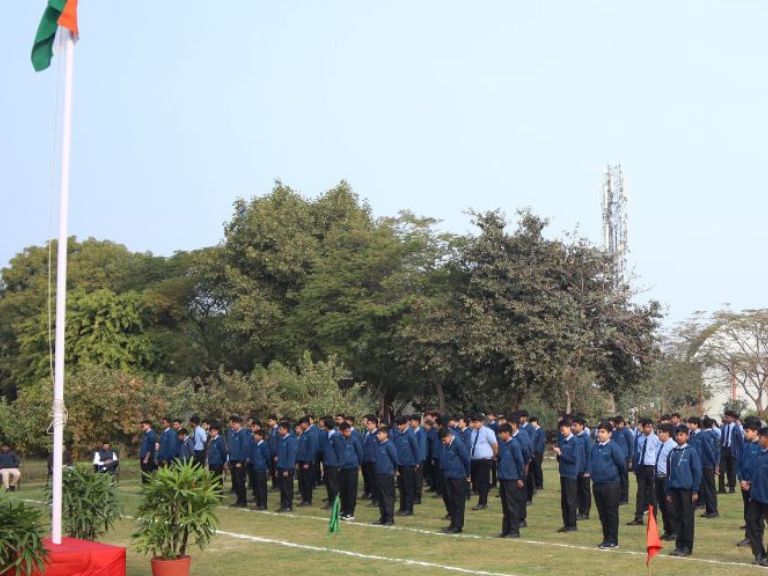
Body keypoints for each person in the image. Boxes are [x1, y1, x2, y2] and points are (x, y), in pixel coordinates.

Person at [667, 425, 702, 557]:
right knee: (678, 518)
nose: (679, 437)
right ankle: (679, 545)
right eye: (677, 435)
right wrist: (668, 491)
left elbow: (697, 472)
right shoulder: (672, 452)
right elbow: (669, 473)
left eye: (682, 435)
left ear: (687, 436)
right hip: (674, 490)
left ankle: (687, 546)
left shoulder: (691, 451)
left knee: (687, 519)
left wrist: (695, 490)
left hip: (687, 490)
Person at [590, 421, 625, 549]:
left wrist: (614, 477)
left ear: (610, 434)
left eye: (603, 432)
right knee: (602, 513)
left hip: (611, 484)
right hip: (597, 484)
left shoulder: (613, 447)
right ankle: (606, 538)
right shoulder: (595, 447)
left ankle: (613, 540)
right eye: (599, 432)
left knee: (611, 513)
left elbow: (621, 465)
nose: (600, 434)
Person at [628, 417, 660, 526]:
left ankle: (653, 517)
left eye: (650, 427)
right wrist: (635, 466)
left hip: (651, 466)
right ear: (643, 427)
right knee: (640, 492)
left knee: (652, 493)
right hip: (641, 467)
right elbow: (637, 453)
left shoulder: (656, 439)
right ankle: (638, 517)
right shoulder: (639, 438)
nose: (648, 429)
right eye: (646, 427)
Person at [440, 427, 471, 534]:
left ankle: (458, 525)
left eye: (444, 440)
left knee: (458, 502)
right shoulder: (447, 445)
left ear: (449, 436)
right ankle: (453, 524)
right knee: (452, 501)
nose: (443, 442)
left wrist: (467, 474)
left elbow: (466, 459)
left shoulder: (458, 443)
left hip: (458, 477)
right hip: (449, 476)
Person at [737, 417, 762, 548]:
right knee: (747, 511)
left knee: (757, 513)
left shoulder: (761, 447)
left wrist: (750, 482)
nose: (745, 433)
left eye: (747, 431)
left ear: (755, 431)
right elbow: (739, 463)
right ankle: (749, 536)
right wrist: (741, 479)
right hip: (744, 484)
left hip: (755, 485)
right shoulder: (745, 445)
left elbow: (759, 468)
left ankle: (756, 538)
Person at [497, 423, 525, 538]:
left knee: (512, 505)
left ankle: (514, 531)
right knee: (505, 506)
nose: (500, 436)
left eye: (501, 433)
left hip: (512, 479)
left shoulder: (514, 444)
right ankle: (506, 530)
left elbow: (519, 462)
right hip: (503, 478)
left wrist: (520, 478)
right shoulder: (503, 445)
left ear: (507, 433)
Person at [553, 418, 580, 533]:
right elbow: (560, 458)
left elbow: (574, 459)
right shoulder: (563, 441)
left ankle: (572, 524)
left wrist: (561, 453)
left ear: (569, 428)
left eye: (563, 430)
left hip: (571, 474)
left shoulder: (575, 441)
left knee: (570, 500)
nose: (562, 432)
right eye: (561, 431)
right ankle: (566, 523)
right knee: (564, 500)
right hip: (563, 473)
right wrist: (558, 454)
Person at [468, 414, 498, 511]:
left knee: (483, 481)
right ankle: (481, 500)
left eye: (476, 422)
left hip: (485, 460)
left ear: (481, 422)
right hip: (474, 459)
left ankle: (482, 502)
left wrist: (494, 455)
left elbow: (494, 444)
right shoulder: (472, 432)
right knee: (476, 481)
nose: (474, 424)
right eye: (473, 422)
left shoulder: (488, 431)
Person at [654, 423, 678, 541]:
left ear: (667, 433)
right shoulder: (659, 444)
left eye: (660, 432)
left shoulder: (673, 446)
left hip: (667, 478)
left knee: (669, 505)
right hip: (658, 477)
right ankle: (667, 529)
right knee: (662, 505)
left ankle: (674, 531)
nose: (658, 435)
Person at [694, 416, 720, 518]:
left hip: (706, 464)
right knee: (707, 488)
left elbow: (709, 450)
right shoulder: (714, 434)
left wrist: (714, 463)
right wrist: (716, 463)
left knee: (709, 488)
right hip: (708, 464)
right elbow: (717, 450)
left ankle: (713, 510)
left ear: (702, 425)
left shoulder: (703, 435)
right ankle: (709, 509)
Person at [394, 415, 419, 516]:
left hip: (409, 464)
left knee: (408, 487)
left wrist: (417, 462)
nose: (399, 427)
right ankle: (402, 507)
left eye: (401, 425)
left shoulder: (410, 434)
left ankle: (409, 509)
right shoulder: (398, 434)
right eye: (398, 425)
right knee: (401, 487)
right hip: (399, 464)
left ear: (405, 424)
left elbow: (415, 449)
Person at [373, 426, 398, 526]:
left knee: (387, 496)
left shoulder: (389, 445)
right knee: (380, 497)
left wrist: (395, 470)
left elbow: (395, 459)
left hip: (387, 474)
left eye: (379, 434)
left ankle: (389, 518)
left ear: (385, 434)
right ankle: (383, 517)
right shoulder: (379, 445)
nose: (377, 436)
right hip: (379, 473)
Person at [338, 422, 364, 520]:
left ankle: (350, 512)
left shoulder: (354, 439)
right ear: (341, 431)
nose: (348, 433)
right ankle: (343, 509)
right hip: (342, 468)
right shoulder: (339, 440)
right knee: (343, 490)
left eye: (349, 431)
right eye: (346, 431)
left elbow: (360, 453)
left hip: (352, 468)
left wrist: (358, 464)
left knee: (351, 490)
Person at [275, 421, 298, 512]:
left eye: (280, 429)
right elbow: (280, 455)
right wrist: (278, 468)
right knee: (282, 488)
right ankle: (283, 505)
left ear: (286, 429)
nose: (279, 431)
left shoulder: (290, 440)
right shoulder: (281, 440)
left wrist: (287, 469)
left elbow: (291, 456)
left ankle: (288, 505)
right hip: (281, 467)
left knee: (287, 488)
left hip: (287, 468)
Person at [573, 417, 592, 520]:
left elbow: (589, 455)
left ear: (581, 426)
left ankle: (585, 512)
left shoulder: (586, 439)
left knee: (585, 491)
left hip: (584, 470)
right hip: (575, 470)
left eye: (575, 425)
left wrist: (588, 470)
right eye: (573, 425)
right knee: (577, 491)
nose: (573, 427)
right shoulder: (573, 437)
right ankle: (579, 511)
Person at [227, 415, 249, 508]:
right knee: (236, 481)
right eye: (232, 424)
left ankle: (243, 501)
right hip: (233, 459)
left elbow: (244, 448)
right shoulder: (234, 433)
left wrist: (241, 461)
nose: (233, 425)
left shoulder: (242, 433)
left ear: (239, 424)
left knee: (240, 481)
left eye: (234, 424)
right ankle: (239, 500)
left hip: (239, 461)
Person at [720, 410, 743, 494]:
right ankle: (721, 489)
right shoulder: (724, 427)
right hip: (724, 449)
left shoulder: (736, 428)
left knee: (732, 470)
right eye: (726, 417)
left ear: (733, 418)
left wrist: (740, 452)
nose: (726, 419)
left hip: (733, 451)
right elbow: (722, 439)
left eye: (728, 417)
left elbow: (741, 441)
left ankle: (731, 487)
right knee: (721, 470)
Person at [612, 416, 634, 505]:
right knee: (616, 477)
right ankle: (617, 496)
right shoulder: (614, 432)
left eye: (619, 423)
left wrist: (630, 459)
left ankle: (624, 498)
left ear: (622, 423)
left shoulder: (627, 431)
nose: (618, 425)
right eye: (616, 424)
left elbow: (631, 445)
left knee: (623, 478)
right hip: (615, 458)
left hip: (624, 458)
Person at [323, 417, 342, 511]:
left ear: (326, 427)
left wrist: (339, 464)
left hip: (334, 464)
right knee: (328, 483)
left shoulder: (335, 436)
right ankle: (330, 500)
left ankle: (334, 502)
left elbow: (339, 451)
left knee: (333, 484)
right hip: (327, 463)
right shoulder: (327, 435)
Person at [296, 419, 315, 507]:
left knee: (307, 481)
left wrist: (307, 462)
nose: (300, 426)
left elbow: (311, 449)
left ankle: (308, 499)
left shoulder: (310, 434)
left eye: (301, 424)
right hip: (301, 460)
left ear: (305, 424)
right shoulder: (303, 434)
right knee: (302, 481)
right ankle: (304, 498)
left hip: (306, 461)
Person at [410, 414, 427, 505]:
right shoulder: (412, 432)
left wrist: (418, 461)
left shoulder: (421, 433)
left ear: (417, 422)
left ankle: (418, 497)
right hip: (412, 459)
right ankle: (413, 495)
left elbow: (421, 448)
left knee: (418, 479)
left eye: (412, 421)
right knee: (413, 478)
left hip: (418, 460)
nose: (410, 423)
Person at [363, 416, 380, 505]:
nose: (367, 425)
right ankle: (374, 499)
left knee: (376, 481)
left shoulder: (379, 434)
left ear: (374, 424)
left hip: (376, 461)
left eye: (369, 424)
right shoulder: (368, 434)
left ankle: (377, 499)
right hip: (368, 460)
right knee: (371, 481)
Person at [207, 422, 228, 492]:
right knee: (212, 479)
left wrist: (223, 462)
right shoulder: (211, 440)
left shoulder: (220, 439)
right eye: (210, 431)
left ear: (216, 431)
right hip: (211, 463)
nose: (211, 433)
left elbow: (223, 452)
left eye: (212, 431)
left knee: (218, 479)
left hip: (218, 463)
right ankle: (214, 493)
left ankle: (219, 493)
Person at [530, 416, 546, 490]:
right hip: (532, 453)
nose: (532, 424)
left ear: (536, 422)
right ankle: (534, 484)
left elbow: (540, 443)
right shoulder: (532, 431)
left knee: (537, 468)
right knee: (532, 468)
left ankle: (540, 484)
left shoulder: (540, 431)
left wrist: (536, 451)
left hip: (538, 453)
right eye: (531, 422)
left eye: (533, 422)